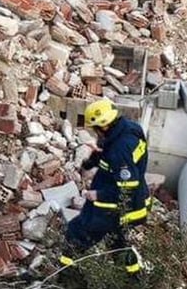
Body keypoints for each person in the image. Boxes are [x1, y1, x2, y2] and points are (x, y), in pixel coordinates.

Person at [58, 98, 150, 276]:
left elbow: (126, 188)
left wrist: (98, 194)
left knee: (77, 232)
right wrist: (90, 162)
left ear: (104, 126)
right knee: (118, 244)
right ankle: (135, 279)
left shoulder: (119, 150)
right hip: (137, 202)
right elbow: (110, 152)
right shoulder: (130, 129)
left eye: (95, 129)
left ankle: (66, 275)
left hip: (113, 208)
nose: (95, 133)